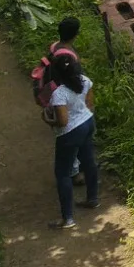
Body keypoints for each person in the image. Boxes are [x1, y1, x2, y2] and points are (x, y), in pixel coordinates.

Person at [43, 50, 98, 228]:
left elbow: (63, 121)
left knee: (62, 173)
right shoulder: (85, 80)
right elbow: (90, 104)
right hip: (88, 122)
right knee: (88, 162)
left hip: (71, 132)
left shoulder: (59, 94)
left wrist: (47, 120)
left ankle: (67, 218)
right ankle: (93, 198)